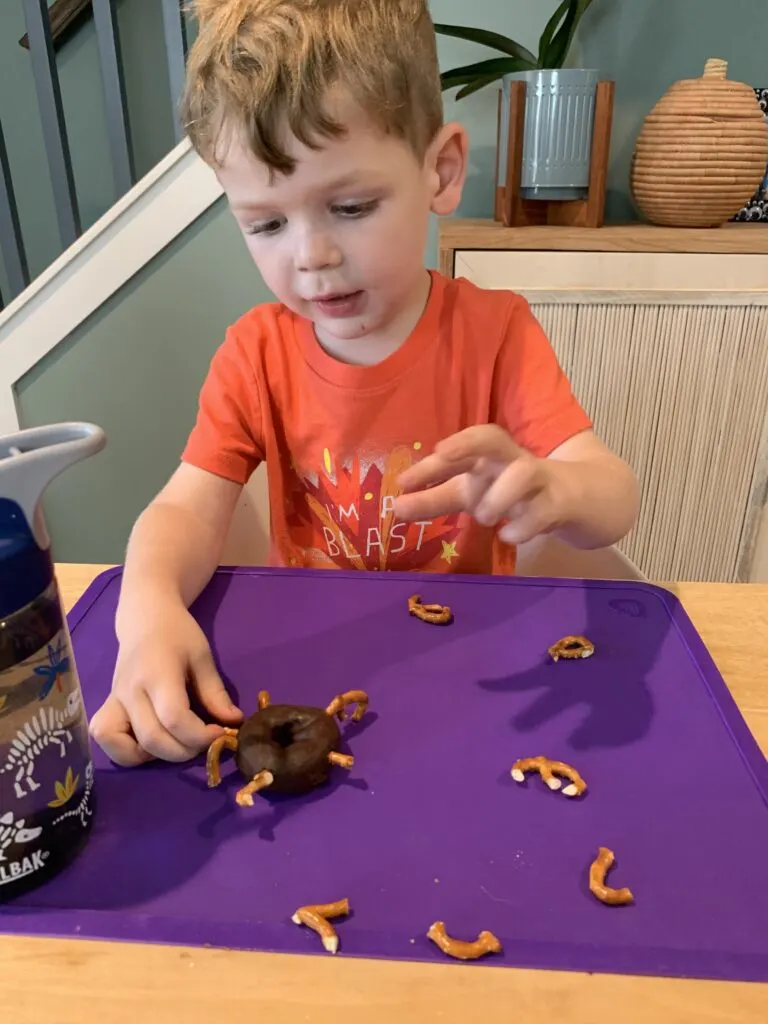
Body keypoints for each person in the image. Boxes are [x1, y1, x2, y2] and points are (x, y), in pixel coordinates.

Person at [89, 0, 639, 768]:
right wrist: (145, 609)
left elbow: (613, 495)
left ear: (440, 170)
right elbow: (185, 506)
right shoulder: (253, 355)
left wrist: (558, 491)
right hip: (318, 667)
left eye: (350, 207)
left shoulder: (496, 334)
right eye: (266, 225)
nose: (311, 256)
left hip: (474, 670)